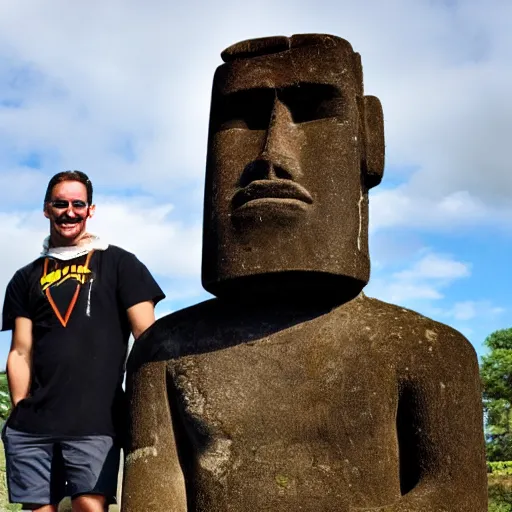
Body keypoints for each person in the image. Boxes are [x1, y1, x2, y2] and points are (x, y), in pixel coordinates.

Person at [1, 170, 165, 512]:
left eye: (78, 204)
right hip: (34, 423)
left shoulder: (120, 263)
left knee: (90, 506)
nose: (69, 211)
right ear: (47, 209)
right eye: (60, 203)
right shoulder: (25, 278)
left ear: (90, 210)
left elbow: (149, 341)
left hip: (96, 418)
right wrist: (20, 408)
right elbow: (20, 350)